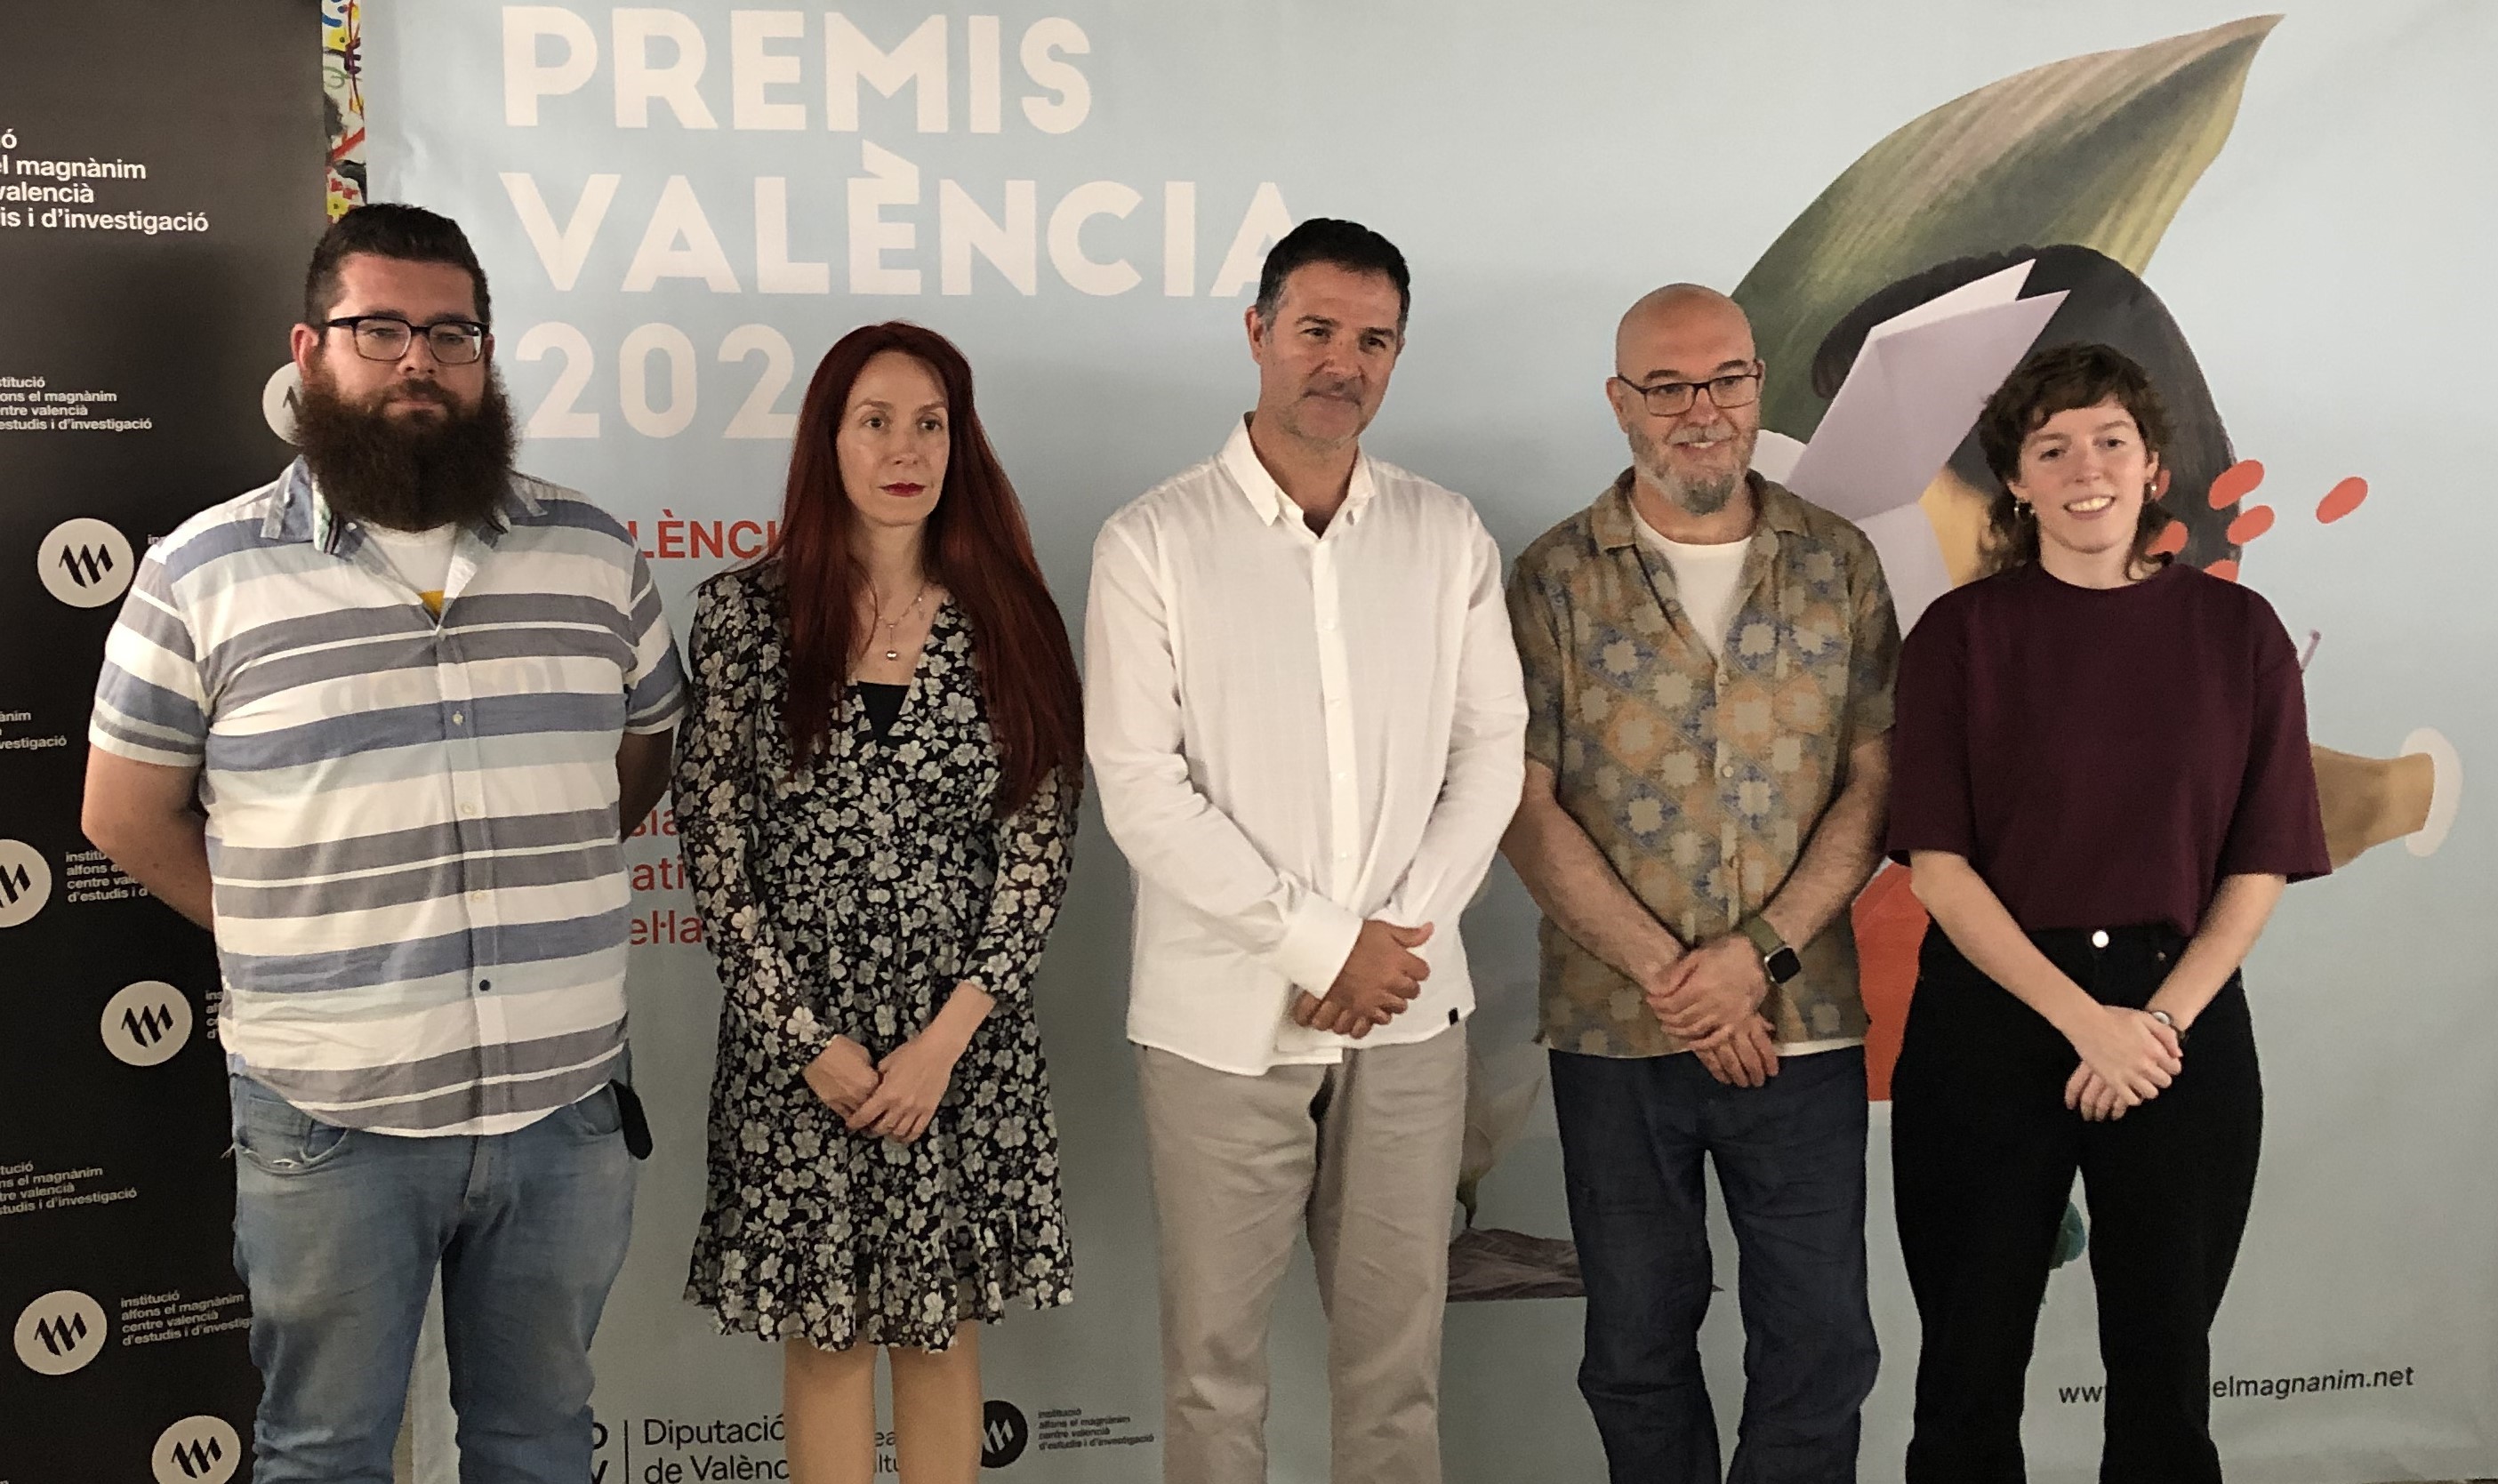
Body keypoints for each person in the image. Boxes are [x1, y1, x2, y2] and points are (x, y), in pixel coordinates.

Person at [81, 203, 684, 1480]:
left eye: (453, 333)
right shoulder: (202, 573)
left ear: (485, 354)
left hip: (563, 1106)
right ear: (311, 351)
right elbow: (122, 814)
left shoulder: (591, 553)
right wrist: (287, 920)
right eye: (381, 330)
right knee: (323, 1453)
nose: (421, 360)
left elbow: (636, 763)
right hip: (330, 1116)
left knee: (538, 1445)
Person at [1085, 218, 1526, 1484]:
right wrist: (1326, 946)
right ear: (1258, 333)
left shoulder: (1445, 535)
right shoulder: (1152, 542)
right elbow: (1140, 789)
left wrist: (1392, 942)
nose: (1343, 362)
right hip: (1221, 1022)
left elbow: (1491, 750)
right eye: (1317, 330)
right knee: (1212, 1377)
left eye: (1373, 339)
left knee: (1396, 1379)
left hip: (1409, 1014)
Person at [1886, 342, 2330, 1482]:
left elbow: (2258, 866)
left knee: (2164, 1378)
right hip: (1993, 1015)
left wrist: (2156, 1024)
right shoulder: (1958, 637)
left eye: (2109, 441)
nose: (2085, 468)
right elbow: (1938, 868)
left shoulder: (2240, 635)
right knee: (1966, 1375)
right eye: (2051, 448)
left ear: (2151, 467)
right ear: (2015, 481)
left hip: (2177, 1020)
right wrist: (2087, 1023)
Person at [674, 322, 1081, 1484]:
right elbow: (716, 852)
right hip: (803, 1051)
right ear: (829, 439)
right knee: (829, 1338)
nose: (905, 450)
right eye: (875, 421)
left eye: (929, 424)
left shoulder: (1010, 618)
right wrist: (808, 1044)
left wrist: (944, 1044)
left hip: (960, 1051)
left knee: (943, 1334)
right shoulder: (744, 618)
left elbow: (1040, 853)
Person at [1501, 284, 1895, 1481]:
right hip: (1618, 1035)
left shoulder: (1838, 563)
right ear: (1620, 403)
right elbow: (1521, 804)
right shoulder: (1553, 578)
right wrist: (1680, 981)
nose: (1699, 408)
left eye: (1723, 377)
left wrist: (1755, 957)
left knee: (1817, 1346)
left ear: (1756, 385)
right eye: (1665, 387)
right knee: (1634, 1349)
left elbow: (1875, 784)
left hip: (1804, 1026)